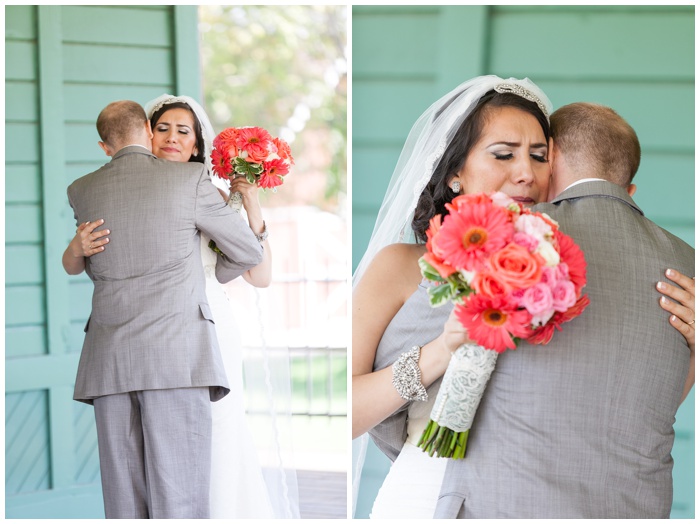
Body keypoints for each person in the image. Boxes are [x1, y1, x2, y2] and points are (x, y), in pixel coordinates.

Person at [433, 103, 695, 518]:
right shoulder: (689, 267)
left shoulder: (510, 238)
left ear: (551, 160)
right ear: (630, 186)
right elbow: (652, 404)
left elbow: (419, 379)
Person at [65, 95, 299, 518]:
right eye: (163, 129)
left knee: (205, 455)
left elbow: (258, 271)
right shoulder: (166, 188)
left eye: (183, 131)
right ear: (145, 135)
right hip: (175, 345)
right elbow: (91, 260)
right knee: (180, 473)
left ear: (197, 146)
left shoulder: (192, 188)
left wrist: (247, 201)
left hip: (197, 332)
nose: (172, 137)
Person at [352, 75, 556, 519]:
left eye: (539, 157)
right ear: (454, 173)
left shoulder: (556, 278)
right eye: (504, 154)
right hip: (422, 494)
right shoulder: (399, 267)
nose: (527, 172)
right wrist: (441, 351)